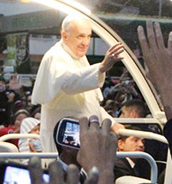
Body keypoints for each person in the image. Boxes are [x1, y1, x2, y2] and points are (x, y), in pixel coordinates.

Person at [31, 15, 126, 153]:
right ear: (64, 35)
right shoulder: (55, 56)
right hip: (64, 143)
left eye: (88, 36)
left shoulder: (78, 57)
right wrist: (101, 67)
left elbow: (88, 102)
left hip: (82, 140)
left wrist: (112, 123)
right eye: (80, 36)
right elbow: (68, 82)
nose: (85, 42)